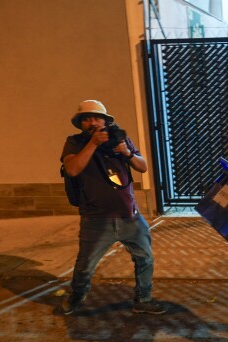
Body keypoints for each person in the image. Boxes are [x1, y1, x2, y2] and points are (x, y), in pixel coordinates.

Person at [60, 100, 165, 315]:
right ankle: (77, 296)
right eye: (86, 119)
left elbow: (143, 167)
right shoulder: (75, 142)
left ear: (106, 121)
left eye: (97, 118)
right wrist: (93, 144)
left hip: (130, 216)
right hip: (96, 219)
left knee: (145, 258)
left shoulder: (119, 138)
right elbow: (72, 169)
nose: (92, 122)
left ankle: (143, 299)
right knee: (85, 265)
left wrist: (127, 152)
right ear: (80, 123)